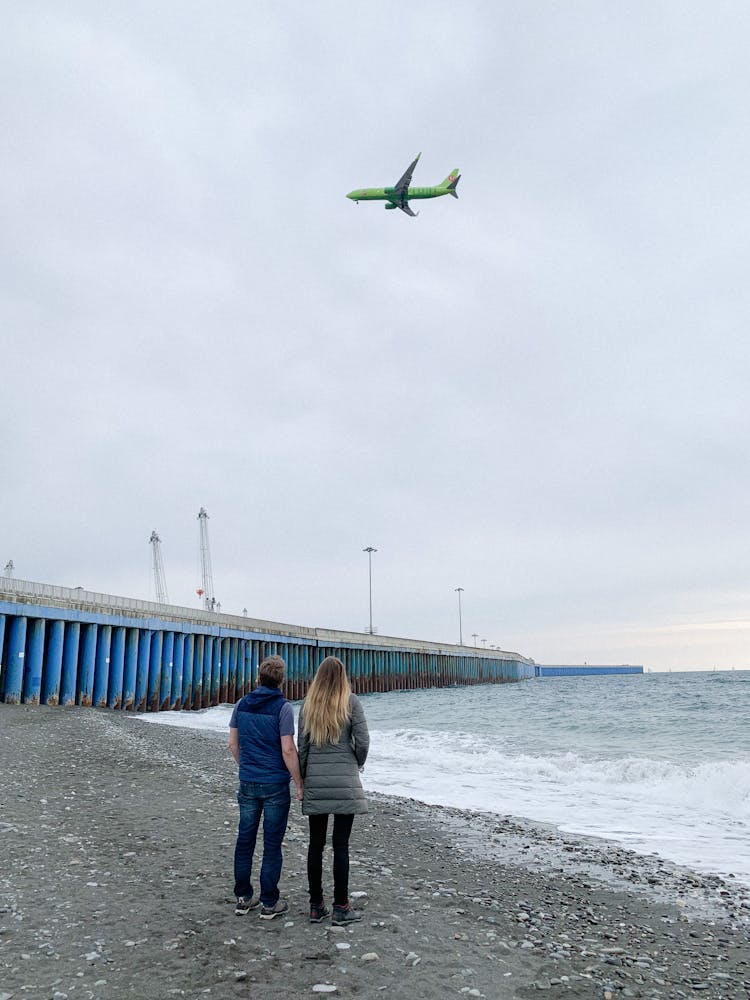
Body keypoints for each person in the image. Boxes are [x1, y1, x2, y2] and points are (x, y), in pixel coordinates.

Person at [228, 654, 303, 919]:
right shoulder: (283, 708)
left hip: (248, 781)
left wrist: (244, 767)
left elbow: (233, 745)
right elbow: (288, 750)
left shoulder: (241, 704)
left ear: (259, 676)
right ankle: (269, 903)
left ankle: (243, 897)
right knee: (272, 844)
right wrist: (299, 783)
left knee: (245, 839)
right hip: (274, 785)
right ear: (282, 679)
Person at [298, 656, 370, 925]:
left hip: (317, 781)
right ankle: (341, 906)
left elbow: (302, 747)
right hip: (344, 782)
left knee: (315, 844)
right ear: (342, 677)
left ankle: (316, 906)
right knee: (341, 845)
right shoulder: (351, 702)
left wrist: (304, 779)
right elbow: (363, 741)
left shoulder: (308, 706)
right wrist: (357, 763)